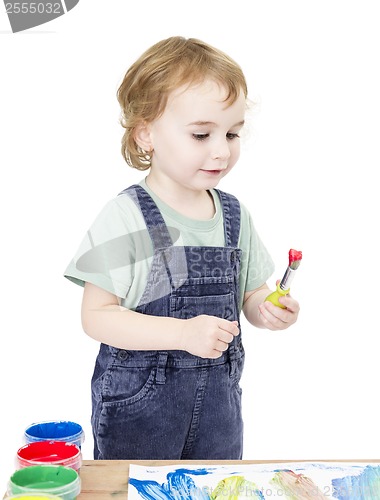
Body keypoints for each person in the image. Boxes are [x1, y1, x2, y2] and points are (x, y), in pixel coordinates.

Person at [64, 36, 300, 460]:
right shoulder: (126, 216)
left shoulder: (233, 216)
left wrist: (267, 307)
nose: (221, 150)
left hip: (219, 415)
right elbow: (95, 316)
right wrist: (182, 334)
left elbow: (250, 293)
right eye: (200, 134)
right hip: (138, 414)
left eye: (231, 133)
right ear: (146, 134)